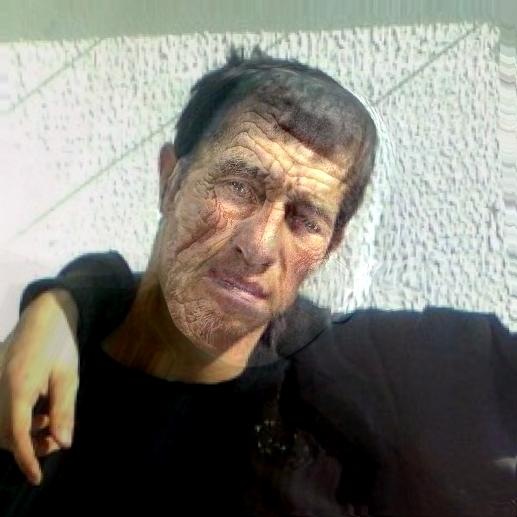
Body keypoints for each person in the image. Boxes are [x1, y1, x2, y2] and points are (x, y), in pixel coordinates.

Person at [1, 47, 516, 516]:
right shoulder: (39, 378)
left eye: (305, 219)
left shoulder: (354, 387)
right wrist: (65, 305)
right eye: (238, 186)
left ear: (330, 246)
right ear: (170, 180)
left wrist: (64, 302)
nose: (259, 245)